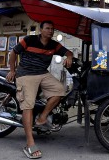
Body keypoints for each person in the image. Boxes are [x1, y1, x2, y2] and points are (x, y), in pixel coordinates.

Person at [6, 20, 73, 159]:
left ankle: (42, 118)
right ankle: (30, 143)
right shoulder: (29, 40)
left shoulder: (54, 45)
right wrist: (12, 70)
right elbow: (13, 53)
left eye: (52, 29)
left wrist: (69, 57)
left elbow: (68, 52)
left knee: (60, 90)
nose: (50, 31)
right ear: (40, 30)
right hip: (26, 74)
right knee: (28, 105)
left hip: (42, 73)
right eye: (47, 28)